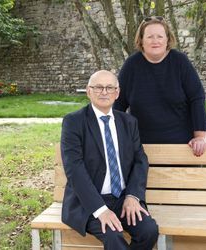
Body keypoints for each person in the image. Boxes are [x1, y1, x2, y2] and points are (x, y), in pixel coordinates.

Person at [61, 70, 158, 250]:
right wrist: (100, 210)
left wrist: (132, 196)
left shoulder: (128, 122)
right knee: (113, 237)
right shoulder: (74, 122)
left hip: (122, 198)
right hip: (88, 202)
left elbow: (140, 160)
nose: (104, 92)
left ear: (117, 93)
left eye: (109, 87)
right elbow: (75, 170)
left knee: (149, 231)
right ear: (88, 91)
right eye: (98, 87)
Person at [113, 16, 206, 157]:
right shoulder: (132, 65)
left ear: (167, 40)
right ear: (141, 40)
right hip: (141, 149)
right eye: (150, 36)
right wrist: (116, 137)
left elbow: (197, 98)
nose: (155, 41)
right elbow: (117, 104)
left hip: (181, 148)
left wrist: (200, 137)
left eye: (160, 36)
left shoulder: (180, 62)